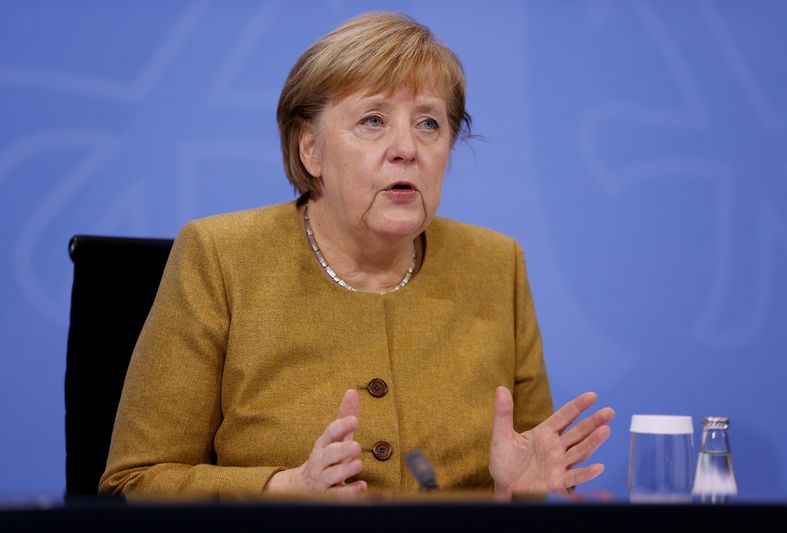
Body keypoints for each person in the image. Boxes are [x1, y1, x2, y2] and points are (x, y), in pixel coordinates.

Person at [99, 12, 614, 498]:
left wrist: (510, 496)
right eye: (373, 120)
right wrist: (286, 489)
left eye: (429, 124)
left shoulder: (496, 264)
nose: (406, 148)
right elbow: (135, 481)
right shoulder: (221, 257)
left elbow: (525, 470)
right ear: (311, 150)